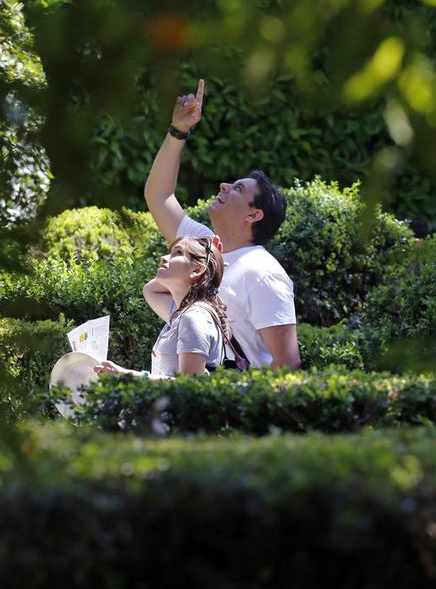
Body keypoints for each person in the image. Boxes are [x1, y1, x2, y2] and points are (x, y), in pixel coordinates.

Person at [143, 78, 300, 369]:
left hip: (230, 397)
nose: (224, 185)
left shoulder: (263, 273)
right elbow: (158, 195)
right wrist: (178, 130)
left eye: (238, 188)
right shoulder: (204, 245)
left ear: (253, 215)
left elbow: (287, 363)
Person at [94, 236, 232, 378]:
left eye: (178, 253)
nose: (164, 258)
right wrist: (210, 269)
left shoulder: (194, 317)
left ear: (197, 270)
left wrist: (125, 374)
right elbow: (149, 290)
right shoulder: (180, 313)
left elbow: (189, 384)